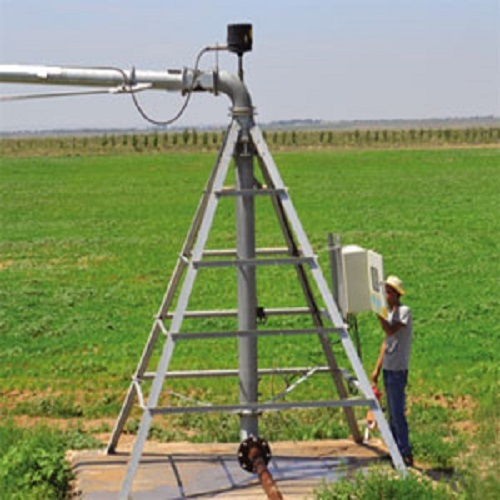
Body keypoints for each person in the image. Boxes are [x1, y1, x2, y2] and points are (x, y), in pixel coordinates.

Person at [371, 275, 413, 466]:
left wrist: (379, 314)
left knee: (397, 412)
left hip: (397, 369)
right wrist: (377, 368)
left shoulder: (404, 311)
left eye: (388, 292)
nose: (386, 295)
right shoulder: (389, 314)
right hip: (388, 367)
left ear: (396, 294)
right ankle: (396, 449)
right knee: (391, 413)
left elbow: (390, 331)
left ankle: (405, 451)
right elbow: (385, 342)